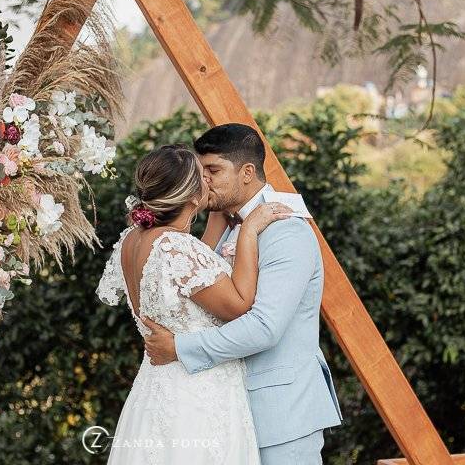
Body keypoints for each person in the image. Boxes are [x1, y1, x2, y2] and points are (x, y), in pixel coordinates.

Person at [142, 123, 343, 465]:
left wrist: (179, 347)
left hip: (282, 418)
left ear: (248, 172)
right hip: (224, 415)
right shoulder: (220, 225)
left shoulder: (287, 232)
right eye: (200, 170)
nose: (202, 181)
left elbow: (265, 327)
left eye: (213, 171)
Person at [96, 143, 291, 463]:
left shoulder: (132, 239)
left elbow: (185, 283)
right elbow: (240, 303)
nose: (210, 181)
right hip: (197, 394)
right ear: (191, 196)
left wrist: (214, 225)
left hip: (156, 387)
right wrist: (249, 231)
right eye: (203, 176)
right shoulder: (177, 247)